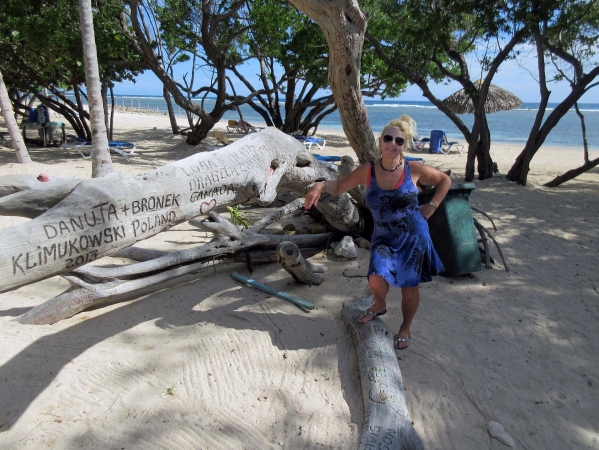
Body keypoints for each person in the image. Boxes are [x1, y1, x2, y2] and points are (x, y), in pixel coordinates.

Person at [304, 115, 451, 350]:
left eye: (399, 141)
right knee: (376, 276)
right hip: (383, 236)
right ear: (380, 141)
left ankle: (405, 328)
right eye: (388, 138)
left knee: (409, 288)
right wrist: (320, 185)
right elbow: (340, 186)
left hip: (412, 237)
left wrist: (431, 207)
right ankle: (379, 304)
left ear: (405, 146)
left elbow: (445, 180)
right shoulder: (368, 170)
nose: (393, 144)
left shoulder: (413, 168)